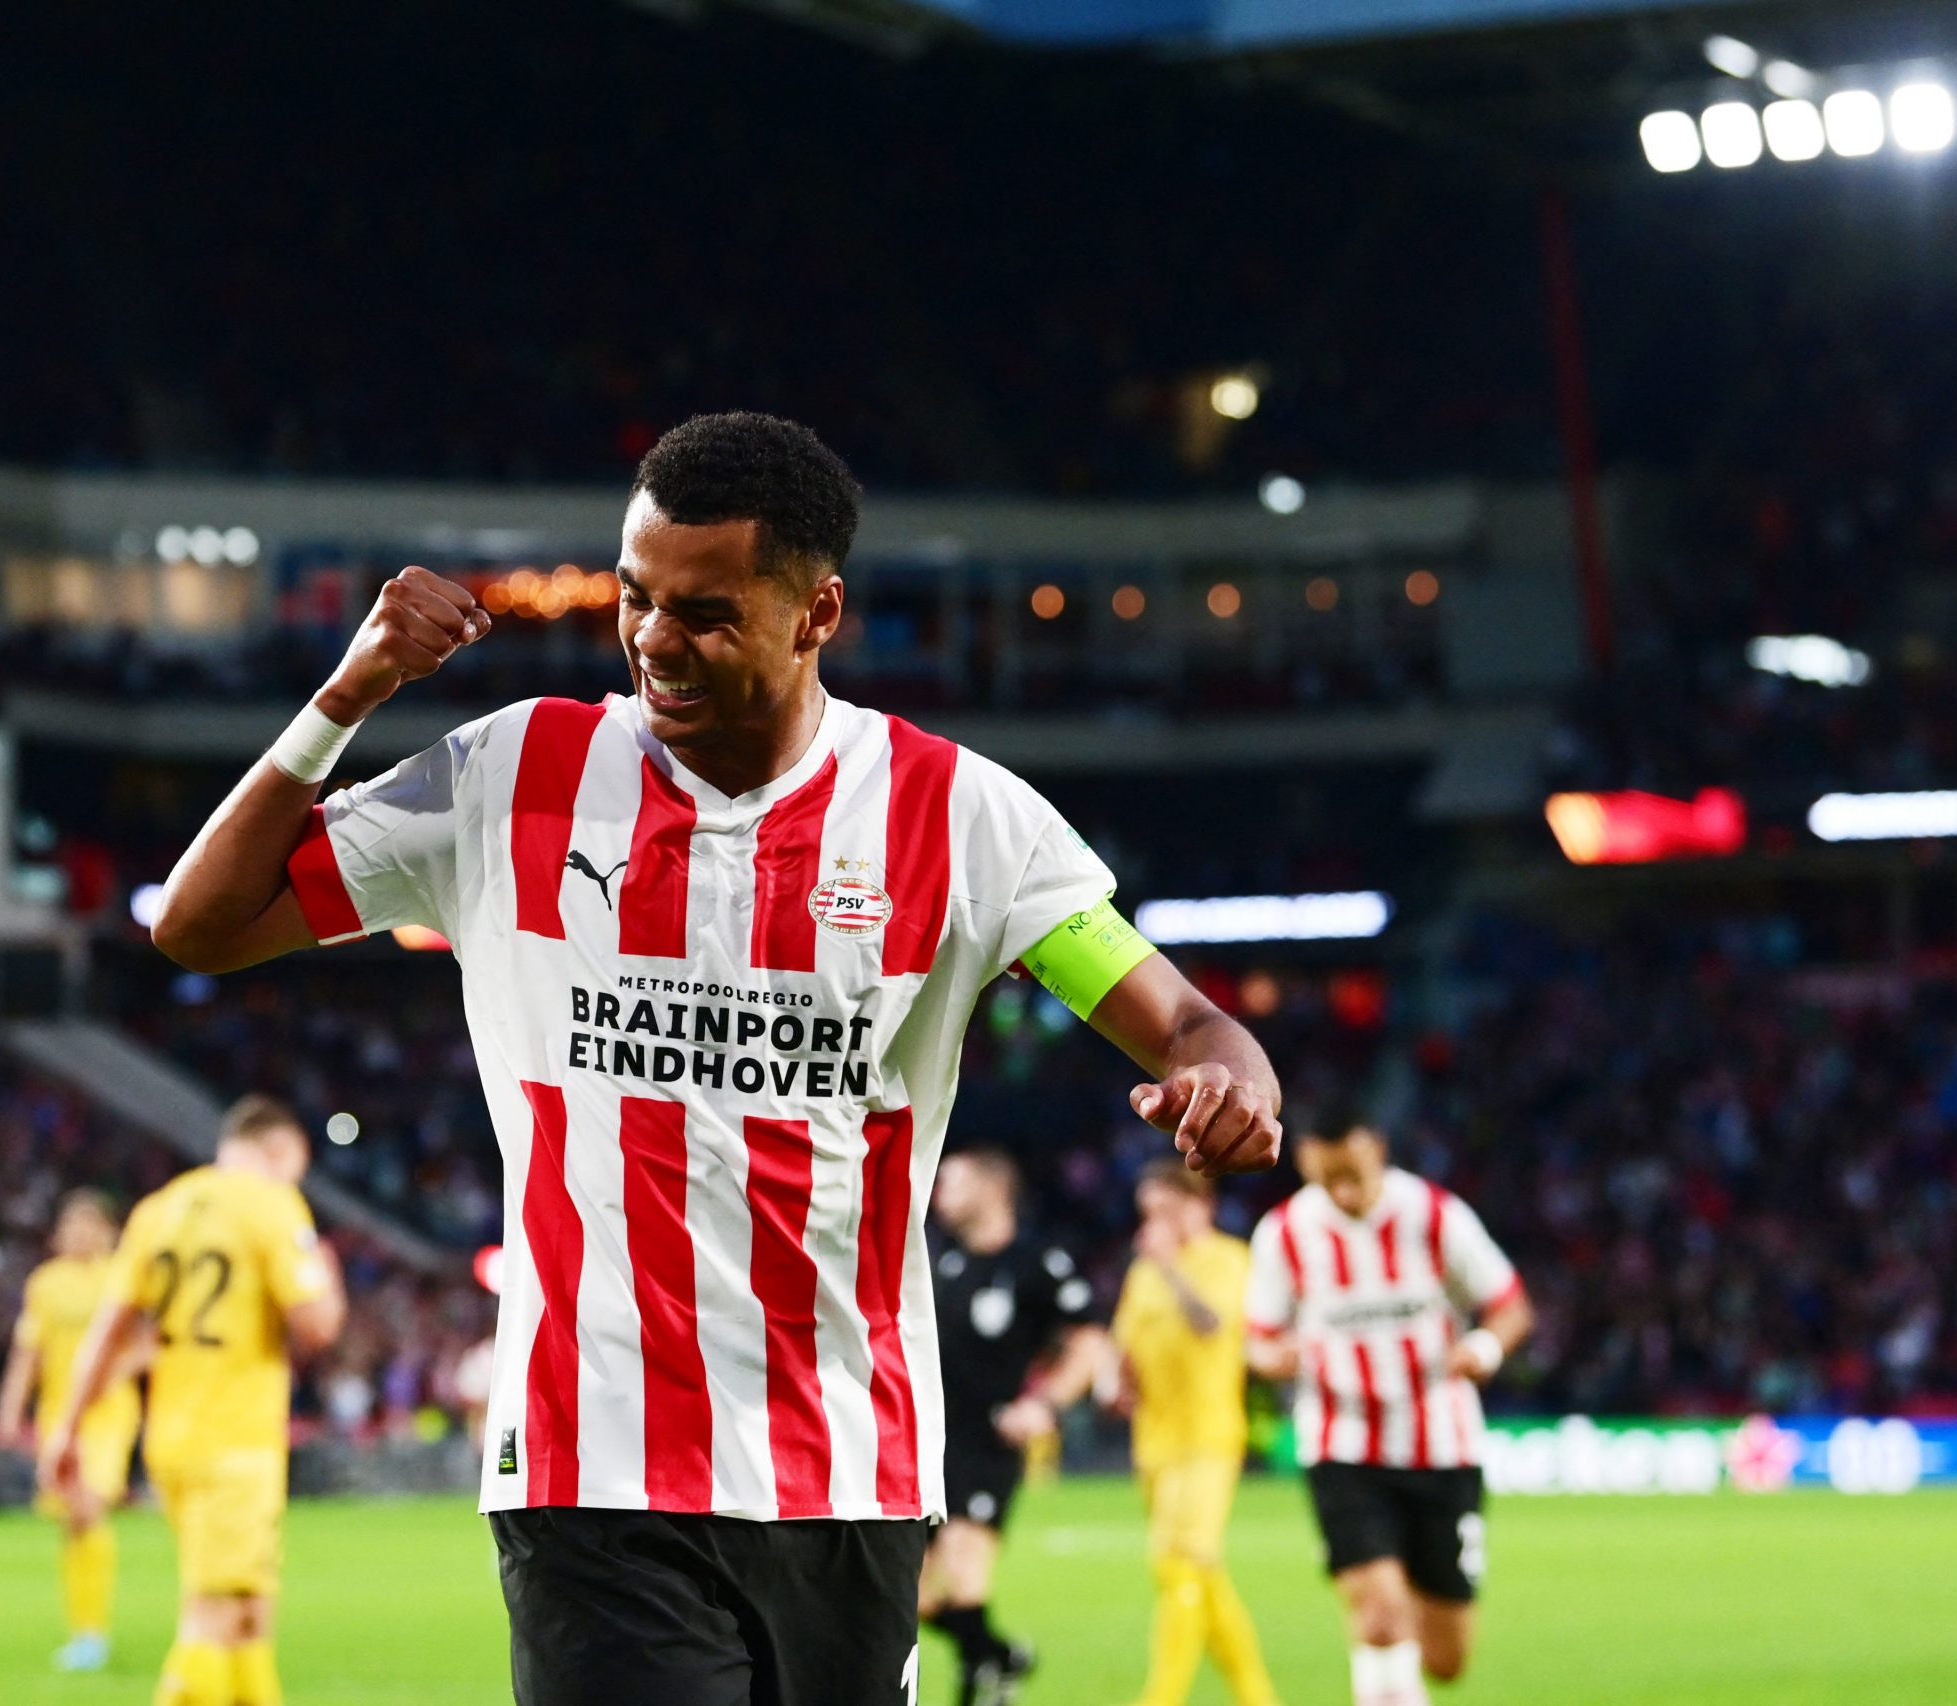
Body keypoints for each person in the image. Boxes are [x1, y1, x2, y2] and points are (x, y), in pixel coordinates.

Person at [147, 411, 1284, 1706]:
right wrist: (347, 694)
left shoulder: (960, 818)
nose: (652, 639)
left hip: (847, 1469)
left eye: (702, 610)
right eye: (636, 598)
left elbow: (1186, 1020)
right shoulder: (515, 775)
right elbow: (200, 923)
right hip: (594, 1463)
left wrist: (1229, 1079)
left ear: (817, 613)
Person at [46, 1095, 348, 1706]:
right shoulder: (271, 1203)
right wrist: (327, 1270)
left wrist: (66, 1430)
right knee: (212, 1618)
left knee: (248, 1615)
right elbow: (317, 1326)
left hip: (173, 1436)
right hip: (236, 1440)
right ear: (279, 1149)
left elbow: (110, 1329)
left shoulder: (160, 1209)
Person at [1245, 1113, 1532, 1706]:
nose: (1345, 1192)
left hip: (1441, 1444)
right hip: (1341, 1442)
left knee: (1447, 1657)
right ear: (1306, 1163)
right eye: (1331, 1180)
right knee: (1378, 1613)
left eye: (1354, 1174)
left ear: (1376, 1147)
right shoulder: (1283, 1233)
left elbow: (1509, 1304)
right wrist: (1282, 1357)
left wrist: (1483, 1346)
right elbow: (1258, 1341)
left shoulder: (1433, 1214)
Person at [920, 1147, 1109, 1706]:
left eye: (952, 1182)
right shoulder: (941, 1262)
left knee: (964, 1568)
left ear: (992, 1188)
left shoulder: (1037, 1261)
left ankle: (983, 1686)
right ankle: (998, 1657)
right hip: (929, 1444)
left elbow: (1089, 1341)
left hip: (988, 1442)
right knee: (914, 1599)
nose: (938, 1195)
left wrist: (1044, 1405)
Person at [1109, 1162, 1282, 1706]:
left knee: (1182, 1562)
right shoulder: (1142, 1276)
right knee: (1197, 1573)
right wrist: (1118, 1381)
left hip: (1208, 1438)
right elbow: (1125, 1347)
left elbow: (1212, 1324)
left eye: (1164, 1211)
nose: (1153, 1225)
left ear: (1198, 1205)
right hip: (1154, 1442)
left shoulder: (1227, 1260)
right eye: (1147, 1214)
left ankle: (1161, 1697)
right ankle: (1258, 1696)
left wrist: (1170, 1269)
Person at [0, 1190, 144, 1673]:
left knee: (87, 1507)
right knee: (73, 1522)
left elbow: (150, 1342)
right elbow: (28, 1354)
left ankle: (91, 1637)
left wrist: (114, 1374)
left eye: (89, 1226)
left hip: (108, 1412)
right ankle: (84, 1630)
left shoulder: (125, 1277)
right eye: (71, 1226)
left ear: (108, 1232)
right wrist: (10, 1410)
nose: (79, 1235)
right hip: (58, 1415)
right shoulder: (45, 1284)